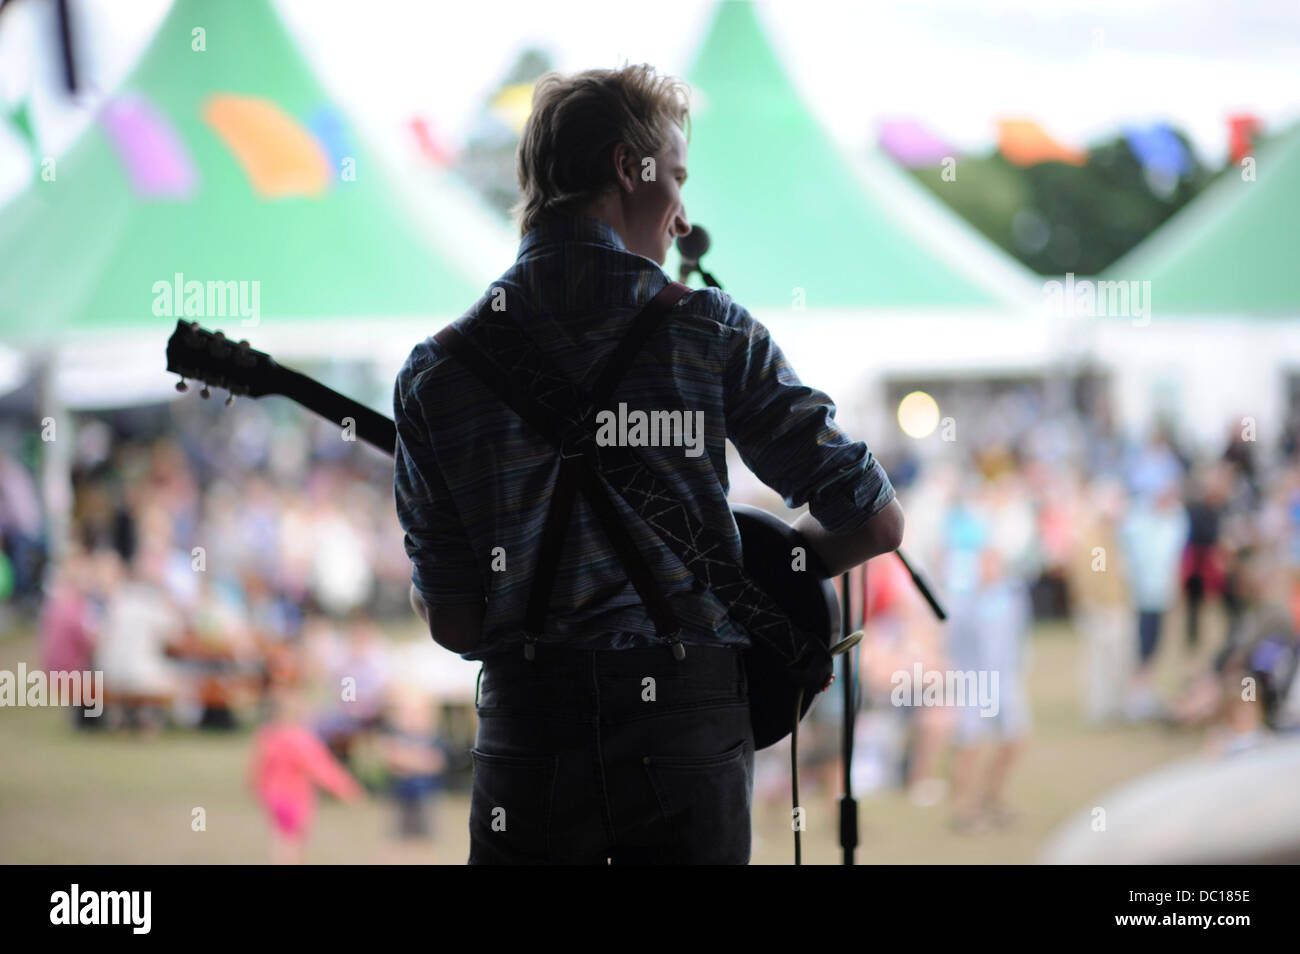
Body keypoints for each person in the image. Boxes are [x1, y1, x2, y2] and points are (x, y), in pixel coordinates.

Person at [393, 64, 903, 864]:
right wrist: (760, 570)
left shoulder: (436, 371)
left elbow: (455, 620)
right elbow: (875, 517)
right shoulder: (709, 330)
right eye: (674, 175)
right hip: (685, 728)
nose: (681, 209)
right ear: (628, 169)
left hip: (529, 735)